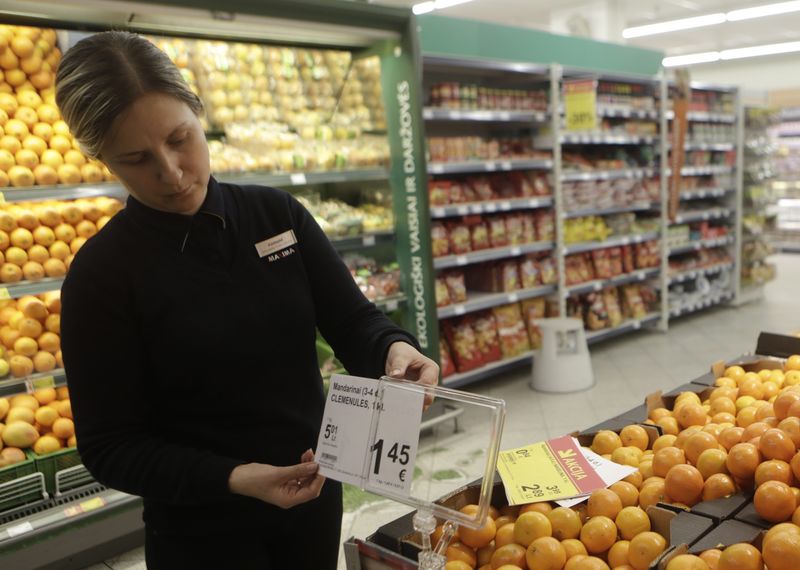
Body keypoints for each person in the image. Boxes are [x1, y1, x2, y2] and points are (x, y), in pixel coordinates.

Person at [56, 31, 439, 569]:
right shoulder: (101, 275)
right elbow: (110, 447)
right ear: (102, 160)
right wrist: (236, 478)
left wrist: (394, 349)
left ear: (198, 112)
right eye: (137, 159)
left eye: (180, 138)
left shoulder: (277, 215)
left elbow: (353, 319)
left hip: (314, 498)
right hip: (200, 532)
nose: (171, 172)